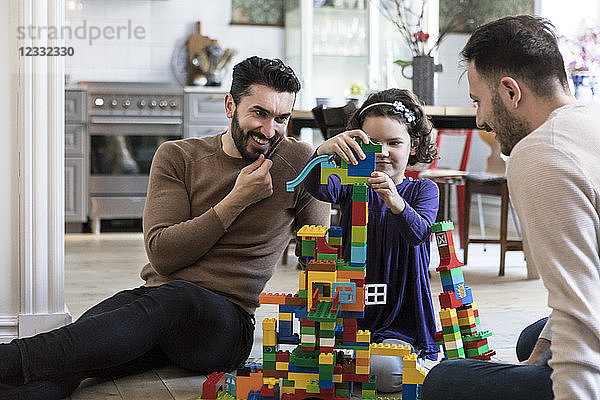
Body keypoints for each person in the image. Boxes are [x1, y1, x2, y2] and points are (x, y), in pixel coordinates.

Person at [0, 56, 330, 400]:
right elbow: (163, 256)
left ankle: (8, 358)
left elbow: (322, 259)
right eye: (259, 113)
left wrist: (329, 172)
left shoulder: (299, 163)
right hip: (159, 302)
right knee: (76, 358)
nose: (269, 130)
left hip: (225, 326)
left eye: (282, 118)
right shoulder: (178, 156)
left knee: (176, 299)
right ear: (230, 105)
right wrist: (236, 199)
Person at [421, 15, 600, 400]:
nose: (481, 119)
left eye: (478, 102)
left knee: (444, 382)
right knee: (531, 342)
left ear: (510, 92)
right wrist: (539, 358)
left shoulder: (541, 153)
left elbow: (581, 316)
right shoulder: (590, 118)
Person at [303, 88, 440, 392]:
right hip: (354, 309)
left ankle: (376, 360)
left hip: (400, 313)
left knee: (389, 370)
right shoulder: (352, 184)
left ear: (413, 145)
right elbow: (316, 186)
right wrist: (321, 151)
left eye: (394, 143)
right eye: (373, 143)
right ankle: (350, 360)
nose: (383, 152)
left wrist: (395, 201)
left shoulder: (423, 190)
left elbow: (419, 233)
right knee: (319, 356)